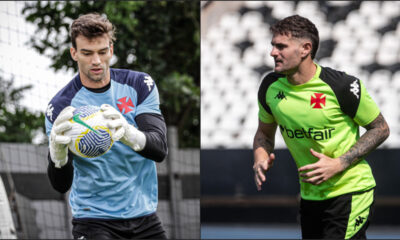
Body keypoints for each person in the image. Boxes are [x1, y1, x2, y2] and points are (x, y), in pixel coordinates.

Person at [253, 15, 390, 239]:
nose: (273, 52)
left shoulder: (341, 86)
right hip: (310, 197)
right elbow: (264, 134)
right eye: (273, 46)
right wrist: (260, 156)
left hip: (351, 191)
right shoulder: (269, 86)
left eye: (281, 46)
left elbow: (381, 128)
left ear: (305, 48)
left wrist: (339, 163)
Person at [45, 13, 168, 239]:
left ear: (111, 50)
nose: (96, 61)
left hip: (144, 215)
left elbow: (159, 149)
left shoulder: (139, 85)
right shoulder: (60, 106)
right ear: (74, 53)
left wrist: (128, 133)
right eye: (87, 53)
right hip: (93, 220)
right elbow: (60, 185)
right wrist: (57, 155)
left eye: (102, 52)